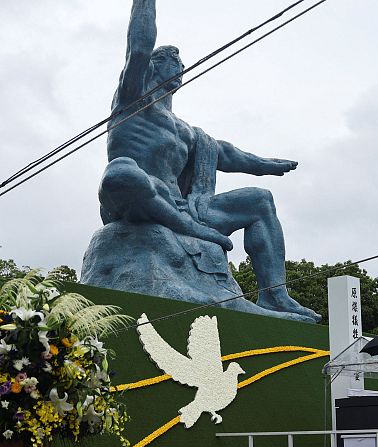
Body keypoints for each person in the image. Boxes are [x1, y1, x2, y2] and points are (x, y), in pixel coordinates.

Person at [104, 0, 319, 322]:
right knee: (122, 173)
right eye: (171, 60)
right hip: (137, 202)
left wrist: (265, 165)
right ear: (153, 65)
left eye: (181, 62)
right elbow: (138, 46)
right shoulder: (132, 100)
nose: (179, 65)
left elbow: (227, 154)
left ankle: (275, 295)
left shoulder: (186, 130)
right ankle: (194, 231)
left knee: (259, 201)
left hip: (182, 207)